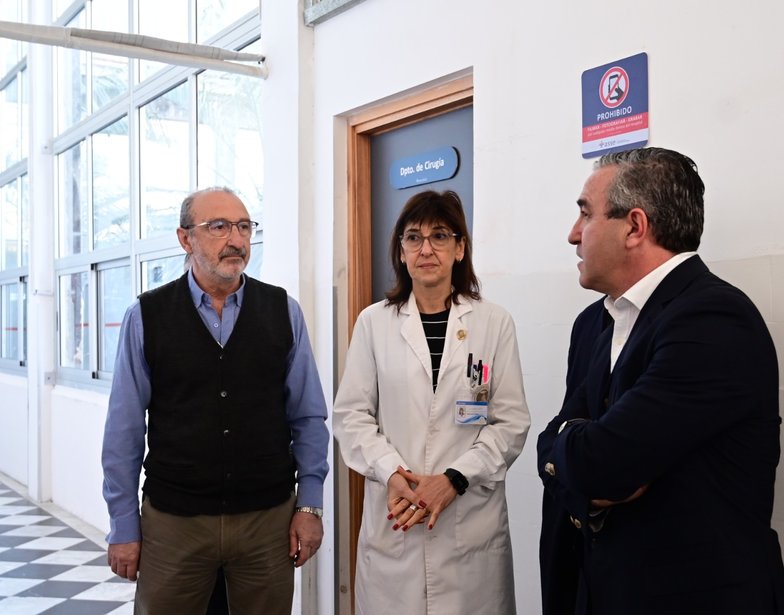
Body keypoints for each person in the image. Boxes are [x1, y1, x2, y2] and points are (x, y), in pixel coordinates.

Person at [537, 147, 784, 614]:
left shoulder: (713, 319)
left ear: (635, 227)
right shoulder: (594, 323)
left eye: (586, 214)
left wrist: (570, 449)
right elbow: (555, 443)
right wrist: (572, 449)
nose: (573, 234)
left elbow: (602, 464)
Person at [101, 186, 329, 614]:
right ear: (185, 239)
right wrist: (123, 523)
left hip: (267, 521)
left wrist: (310, 505)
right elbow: (124, 430)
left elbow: (308, 416)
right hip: (175, 523)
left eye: (244, 227)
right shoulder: (147, 317)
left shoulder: (283, 311)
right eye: (219, 227)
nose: (237, 240)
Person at [333, 190, 530, 615]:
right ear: (401, 251)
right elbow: (351, 416)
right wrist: (391, 472)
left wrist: (455, 478)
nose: (426, 249)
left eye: (439, 236)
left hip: (470, 530)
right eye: (413, 238)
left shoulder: (493, 322)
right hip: (396, 524)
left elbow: (511, 423)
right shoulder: (374, 323)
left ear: (459, 248)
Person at [538, 296, 610, 614]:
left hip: (620, 535)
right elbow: (557, 430)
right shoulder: (589, 321)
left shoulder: (694, 317)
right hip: (570, 515)